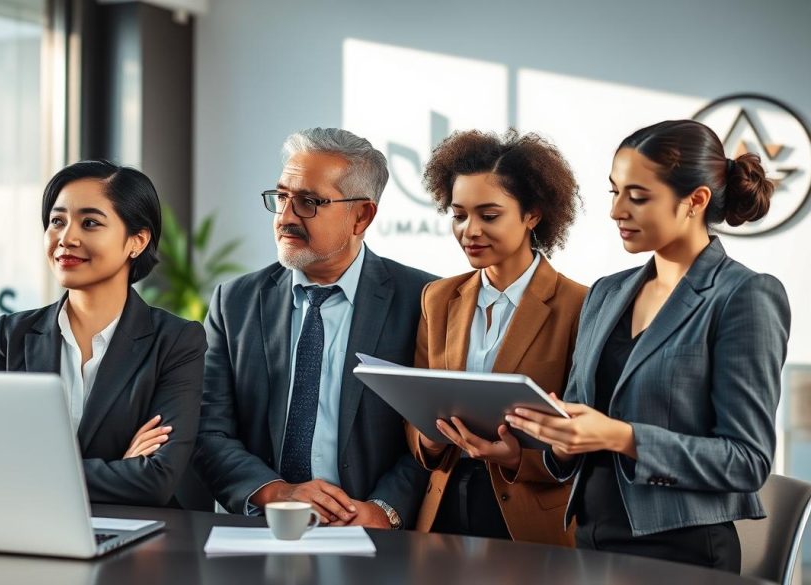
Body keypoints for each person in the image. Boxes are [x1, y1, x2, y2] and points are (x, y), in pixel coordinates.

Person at [507, 120, 791, 572]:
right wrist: (561, 438)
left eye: (637, 197)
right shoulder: (605, 293)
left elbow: (746, 461)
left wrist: (622, 437)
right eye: (613, 192)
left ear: (695, 201)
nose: (617, 211)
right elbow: (586, 423)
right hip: (589, 539)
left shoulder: (743, 296)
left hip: (683, 553)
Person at [193, 128, 436, 529]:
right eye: (282, 197)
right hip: (260, 530)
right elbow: (208, 428)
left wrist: (384, 510)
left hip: (375, 538)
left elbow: (433, 435)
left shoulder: (424, 301)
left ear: (362, 216)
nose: (286, 216)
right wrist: (276, 492)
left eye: (308, 202)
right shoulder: (234, 301)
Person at [0, 160, 206, 507]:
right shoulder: (12, 336)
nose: (66, 238)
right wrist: (120, 467)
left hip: (138, 541)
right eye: (57, 221)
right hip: (28, 528)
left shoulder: (176, 342)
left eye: (90, 223)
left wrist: (34, 473)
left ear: (137, 240)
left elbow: (154, 480)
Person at [405, 130, 586, 545]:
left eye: (489, 216)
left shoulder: (580, 305)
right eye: (459, 215)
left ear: (533, 215)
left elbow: (586, 429)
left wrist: (519, 457)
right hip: (443, 509)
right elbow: (416, 412)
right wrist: (429, 438)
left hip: (529, 517)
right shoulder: (438, 297)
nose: (470, 230)